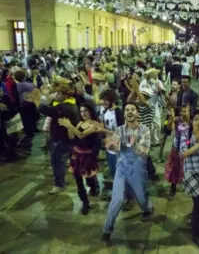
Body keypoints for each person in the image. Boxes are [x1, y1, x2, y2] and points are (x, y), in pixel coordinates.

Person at [101, 102, 154, 245]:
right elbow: (117, 147)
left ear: (137, 113)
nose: (129, 112)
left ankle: (147, 208)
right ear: (124, 114)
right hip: (122, 168)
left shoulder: (145, 130)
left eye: (132, 109)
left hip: (138, 168)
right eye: (127, 110)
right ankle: (107, 230)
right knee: (117, 200)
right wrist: (112, 145)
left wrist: (133, 144)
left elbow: (145, 151)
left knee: (142, 198)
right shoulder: (119, 130)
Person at [175, 109, 199, 249]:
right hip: (192, 173)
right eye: (196, 119)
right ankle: (196, 235)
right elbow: (183, 154)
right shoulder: (186, 133)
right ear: (191, 121)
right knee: (197, 204)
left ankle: (195, 225)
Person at [58, 102, 102, 215]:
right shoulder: (79, 123)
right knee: (78, 181)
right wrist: (69, 127)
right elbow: (72, 136)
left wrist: (70, 125)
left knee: (90, 178)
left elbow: (82, 135)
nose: (83, 113)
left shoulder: (95, 124)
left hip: (88, 156)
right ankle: (85, 203)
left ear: (91, 111)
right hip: (77, 155)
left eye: (85, 111)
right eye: (81, 111)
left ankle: (94, 186)